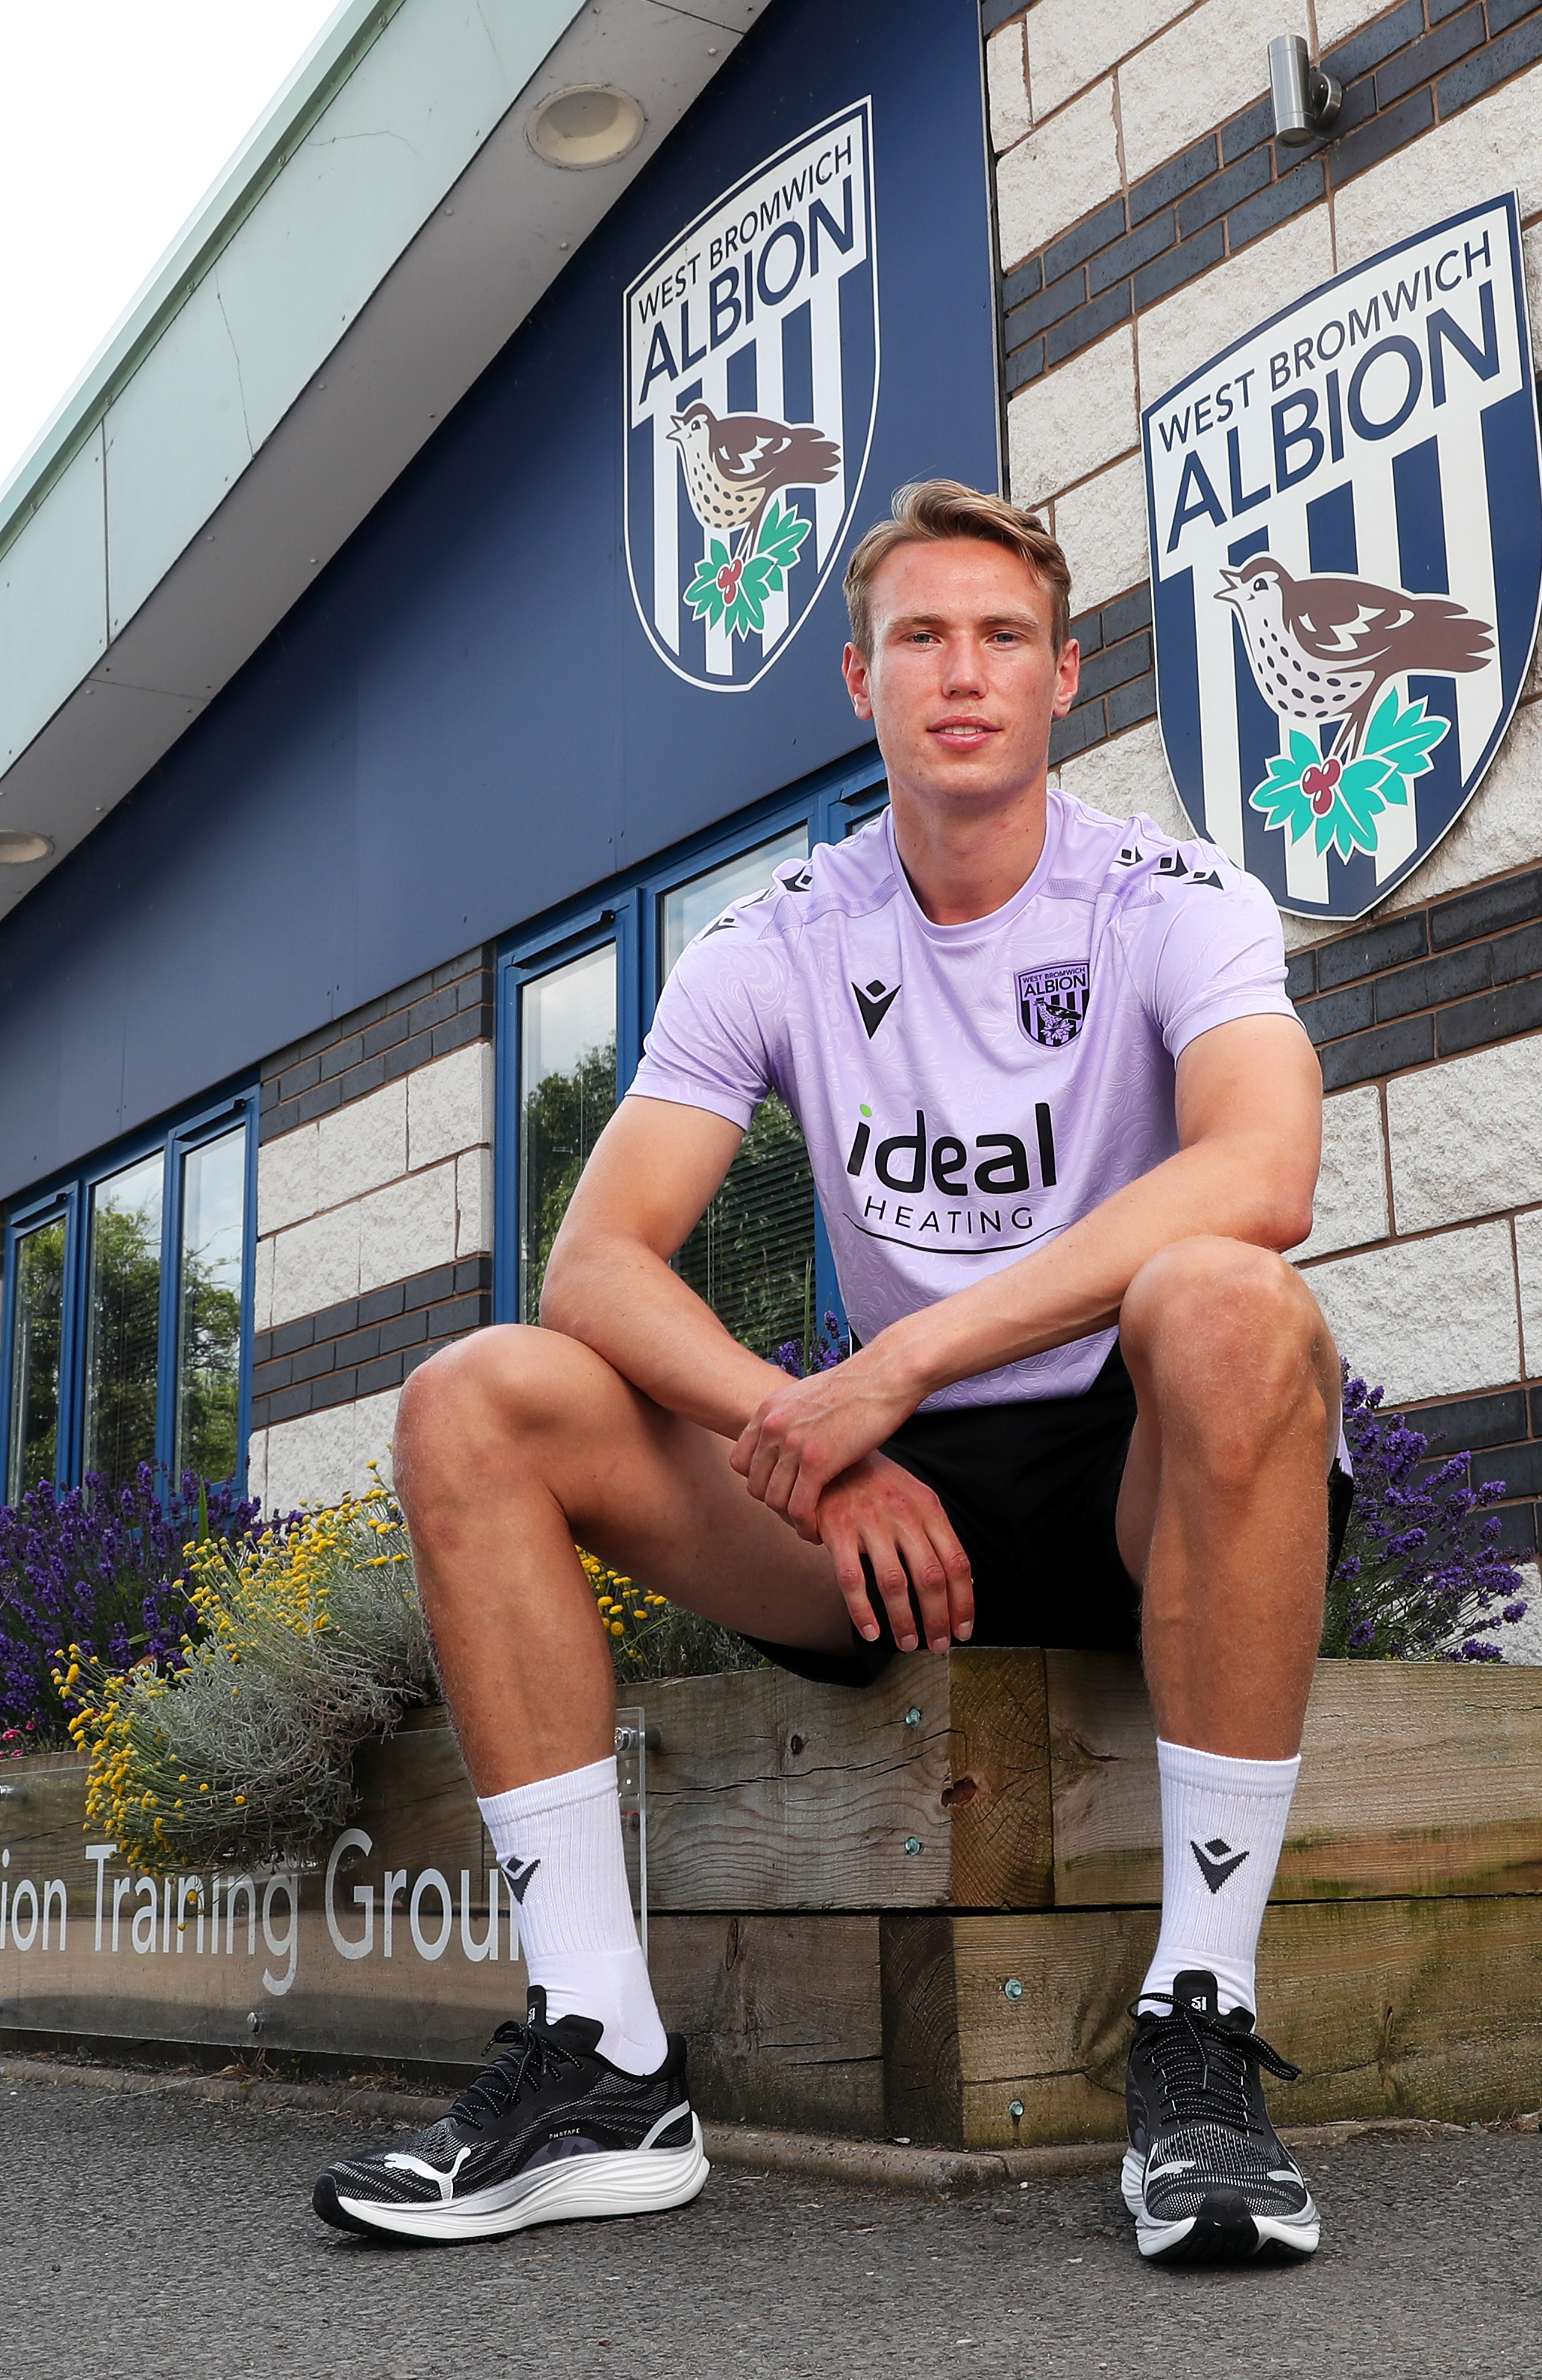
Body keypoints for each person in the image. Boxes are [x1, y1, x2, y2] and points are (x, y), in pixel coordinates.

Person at [311, 481, 1341, 2264]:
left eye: (1001, 637)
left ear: (1062, 677)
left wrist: (899, 1360)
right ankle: (604, 2059)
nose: (963, 673)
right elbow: (595, 1265)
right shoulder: (771, 940)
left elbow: (1265, 1171)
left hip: (1137, 1474)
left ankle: (1196, 2026)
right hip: (892, 1512)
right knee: (473, 1391)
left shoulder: (1176, 897)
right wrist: (820, 1434)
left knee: (1225, 1299)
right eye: (921, 639)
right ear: (857, 683)